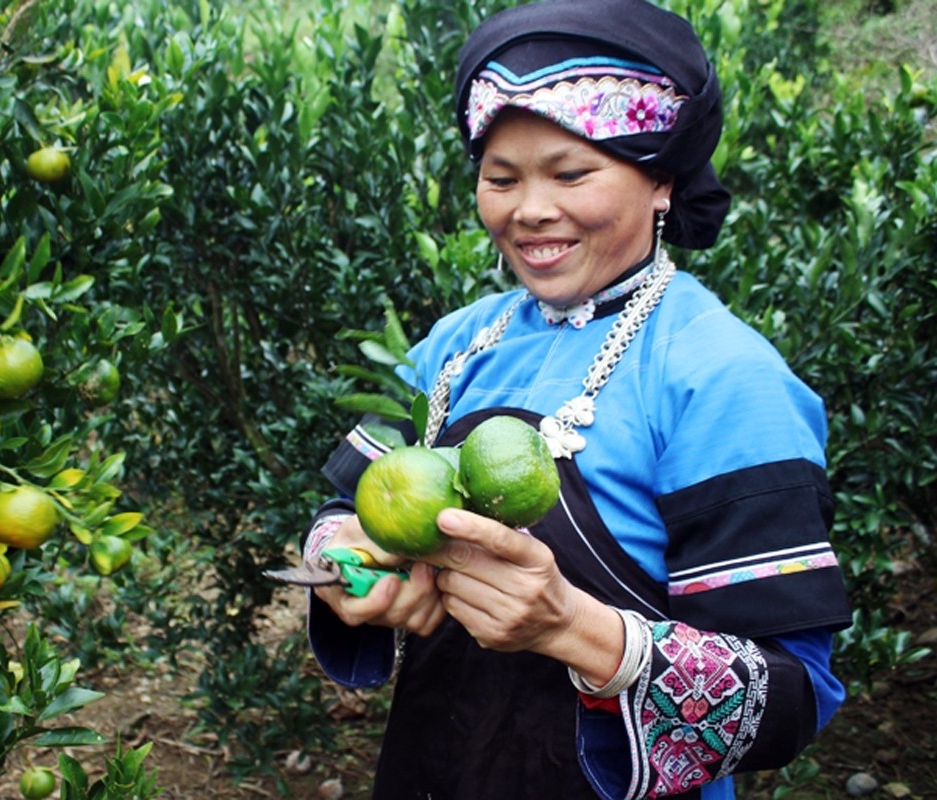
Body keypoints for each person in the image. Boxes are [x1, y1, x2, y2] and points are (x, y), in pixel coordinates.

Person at [296, 1, 853, 798]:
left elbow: (792, 695)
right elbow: (339, 516)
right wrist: (346, 566)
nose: (528, 210)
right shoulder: (457, 344)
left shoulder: (723, 377)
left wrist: (573, 627)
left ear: (661, 181)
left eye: (570, 174)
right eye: (501, 178)